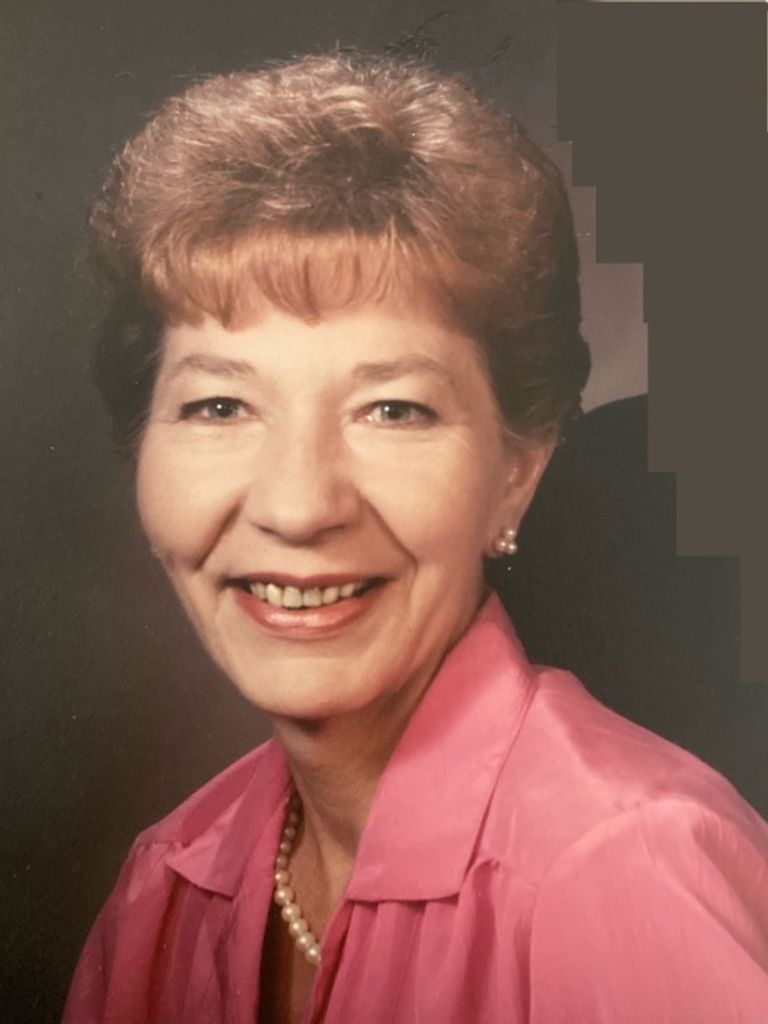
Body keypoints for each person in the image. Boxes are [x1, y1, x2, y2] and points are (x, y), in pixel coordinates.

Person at [63, 52, 768, 1024]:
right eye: (219, 405)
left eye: (392, 409)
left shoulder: (622, 868)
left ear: (516, 468)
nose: (298, 505)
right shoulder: (167, 884)